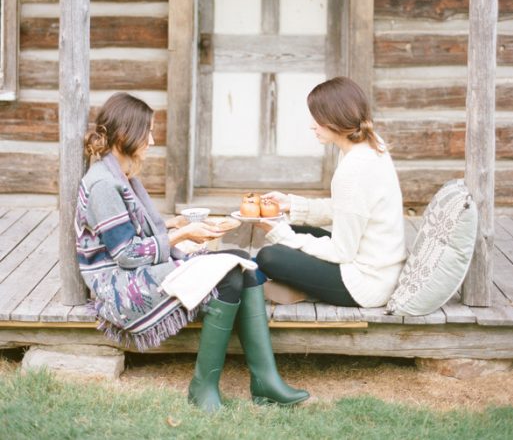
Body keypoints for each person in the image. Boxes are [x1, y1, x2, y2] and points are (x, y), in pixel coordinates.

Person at [75, 92, 308, 412]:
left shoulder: (120, 173)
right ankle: (203, 388)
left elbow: (133, 232)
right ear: (126, 134)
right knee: (227, 274)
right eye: (148, 132)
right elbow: (126, 253)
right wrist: (183, 233)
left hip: (134, 269)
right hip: (119, 284)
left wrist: (175, 223)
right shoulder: (104, 183)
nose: (153, 141)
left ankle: (266, 382)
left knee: (241, 260)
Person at [255, 76, 406, 309]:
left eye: (317, 118)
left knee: (270, 256)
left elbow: (341, 252)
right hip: (379, 267)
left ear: (336, 119)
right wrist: (291, 205)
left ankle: (282, 284)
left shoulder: (354, 169)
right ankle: (293, 282)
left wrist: (280, 235)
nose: (312, 125)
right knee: (293, 231)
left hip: (366, 285)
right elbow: (345, 208)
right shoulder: (367, 144)